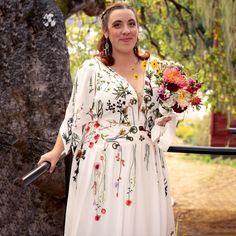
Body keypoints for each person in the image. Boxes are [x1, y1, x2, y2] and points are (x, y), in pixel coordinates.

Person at [38, 2, 177, 235]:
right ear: (106, 32)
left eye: (131, 24)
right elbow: (75, 115)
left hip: (146, 161)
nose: (126, 30)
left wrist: (174, 110)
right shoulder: (92, 70)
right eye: (118, 25)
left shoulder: (155, 70)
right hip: (103, 162)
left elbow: (162, 114)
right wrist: (55, 152)